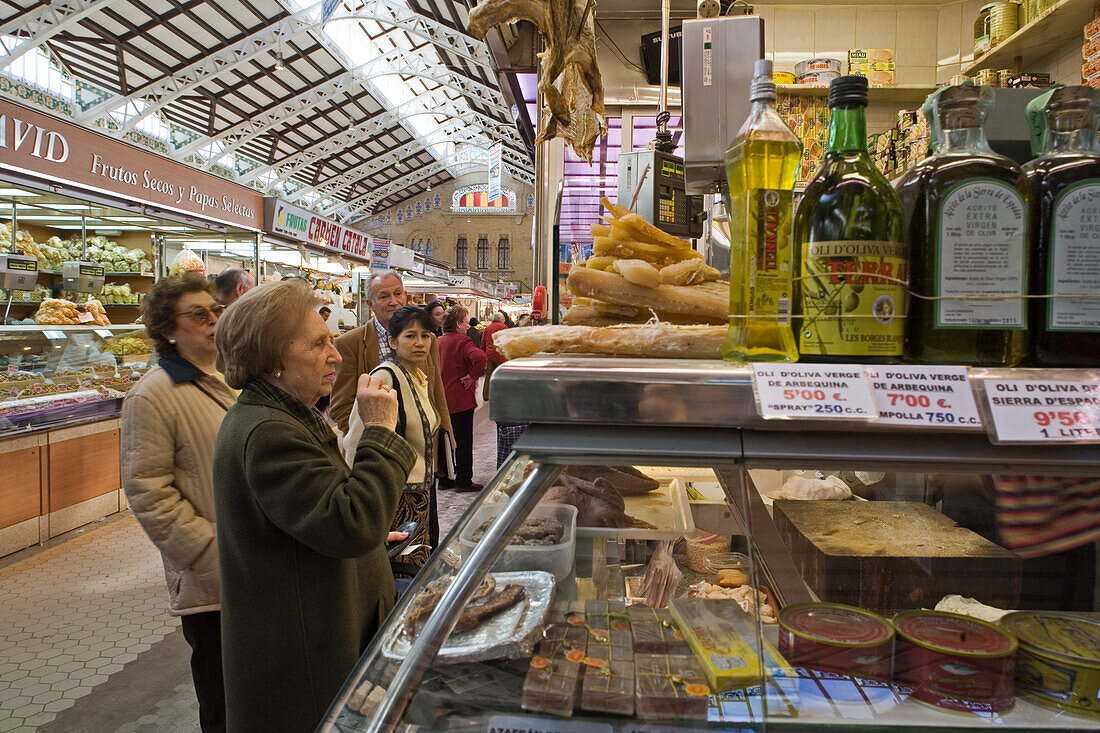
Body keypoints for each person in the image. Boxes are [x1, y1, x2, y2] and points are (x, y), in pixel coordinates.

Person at [212, 279, 415, 733]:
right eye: (319, 343)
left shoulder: (282, 418)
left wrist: (366, 534)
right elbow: (350, 524)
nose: (336, 355)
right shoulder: (268, 432)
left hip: (318, 637)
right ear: (273, 360)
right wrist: (379, 430)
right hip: (303, 663)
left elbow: (314, 513)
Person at [120, 273, 235, 733]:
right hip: (211, 581)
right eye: (198, 315)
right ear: (168, 328)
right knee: (222, 698)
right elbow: (148, 490)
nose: (212, 321)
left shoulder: (230, 378)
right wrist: (207, 554)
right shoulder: (152, 395)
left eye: (216, 311)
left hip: (247, 567)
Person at [331, 270, 452, 544]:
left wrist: (446, 434)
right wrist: (378, 445)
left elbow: (434, 392)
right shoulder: (349, 345)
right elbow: (341, 408)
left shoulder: (424, 339)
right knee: (398, 545)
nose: (393, 301)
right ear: (370, 304)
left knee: (426, 537)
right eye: (384, 296)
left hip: (422, 463)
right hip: (385, 471)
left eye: (398, 293)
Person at [345, 305, 441, 576]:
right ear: (392, 341)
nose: (420, 343)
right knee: (401, 570)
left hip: (419, 492)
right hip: (395, 497)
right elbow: (357, 438)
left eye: (425, 335)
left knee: (418, 564)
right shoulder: (385, 377)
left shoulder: (417, 376)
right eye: (410, 336)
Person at [438, 306, 487, 493]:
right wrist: (472, 375)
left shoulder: (438, 341)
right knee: (463, 441)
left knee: (444, 441)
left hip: (441, 399)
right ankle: (463, 480)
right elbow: (480, 357)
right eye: (465, 320)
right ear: (458, 323)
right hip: (461, 399)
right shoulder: (462, 341)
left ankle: (444, 478)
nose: (467, 324)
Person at [481, 311, 508, 401]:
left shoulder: (487, 328)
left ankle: (486, 395)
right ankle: (500, 395)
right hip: (500, 355)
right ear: (500, 319)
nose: (504, 320)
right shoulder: (503, 327)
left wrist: (484, 352)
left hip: (489, 354)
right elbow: (506, 341)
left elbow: (483, 342)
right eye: (503, 318)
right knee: (500, 376)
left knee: (488, 376)